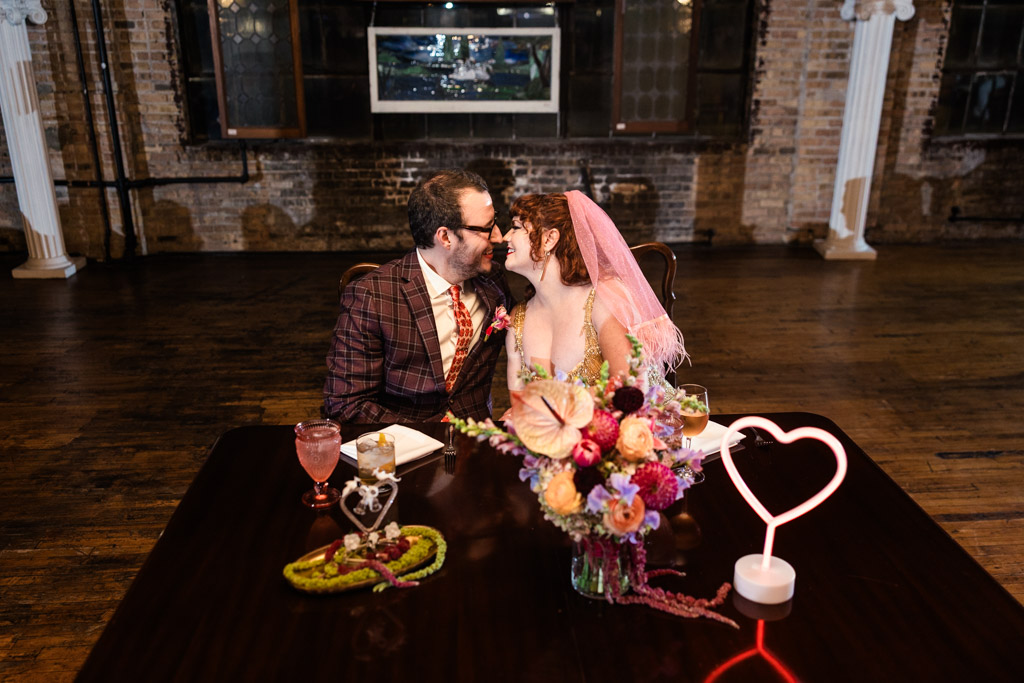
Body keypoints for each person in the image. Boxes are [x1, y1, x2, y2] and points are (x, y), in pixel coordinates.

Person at [323, 170, 513, 423]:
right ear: (445, 237)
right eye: (487, 229)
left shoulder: (493, 281)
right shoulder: (372, 296)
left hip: (477, 435)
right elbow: (346, 404)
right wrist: (425, 439)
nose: (499, 236)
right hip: (402, 444)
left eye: (496, 222)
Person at [502, 190, 685, 392]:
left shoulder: (603, 301)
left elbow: (631, 392)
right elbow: (519, 406)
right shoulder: (517, 321)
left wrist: (554, 405)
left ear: (549, 239)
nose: (504, 237)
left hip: (644, 421)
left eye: (516, 228)